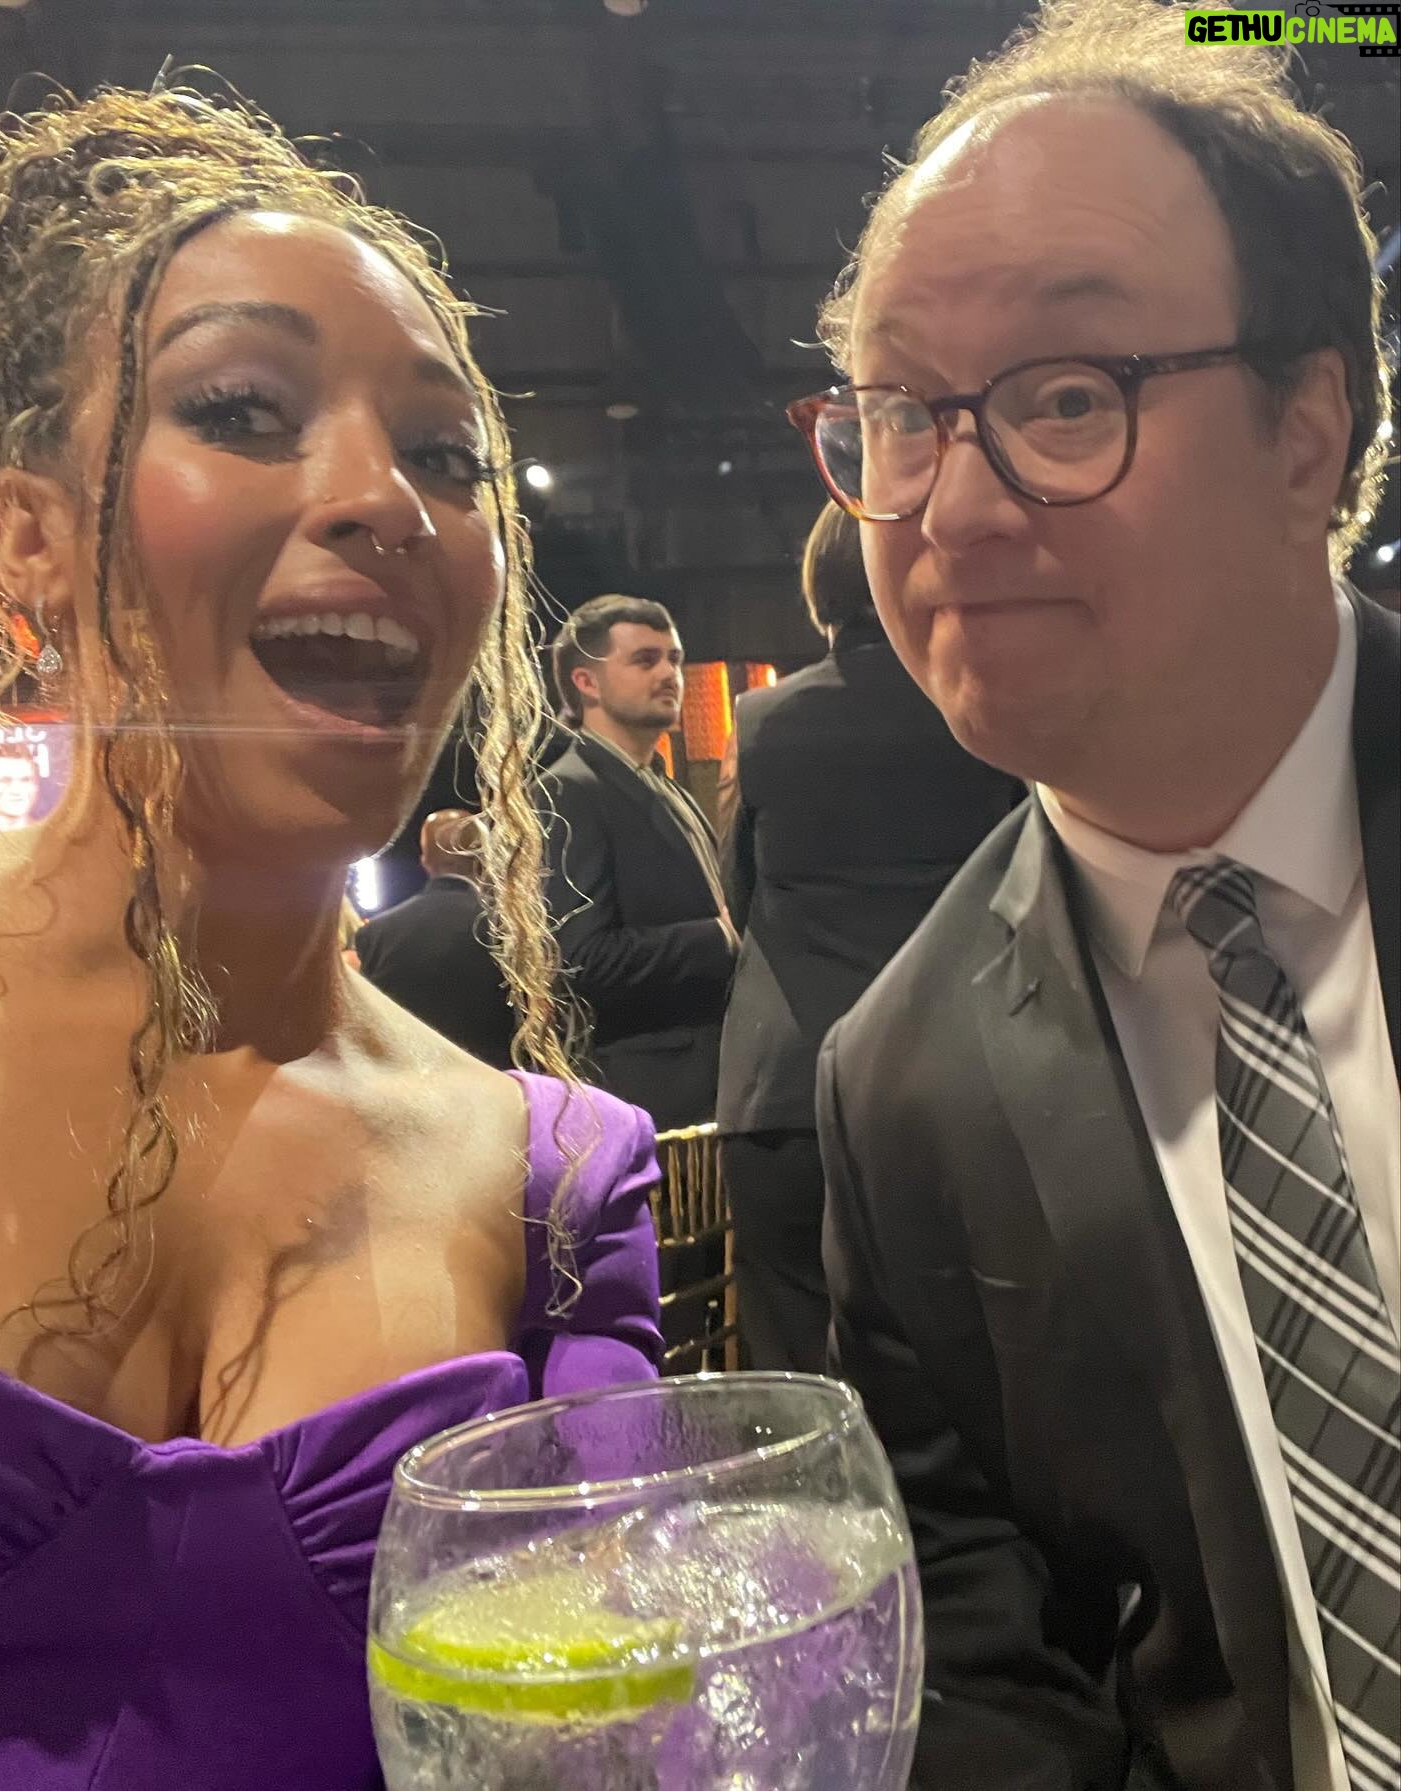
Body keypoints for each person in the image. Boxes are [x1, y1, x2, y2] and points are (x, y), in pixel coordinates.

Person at [0, 85, 662, 1791]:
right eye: (242, 410)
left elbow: (603, 1743)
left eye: (445, 456)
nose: (385, 500)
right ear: (27, 536)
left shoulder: (558, 1188)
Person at [794, 3, 1400, 1786]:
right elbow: (998, 1660)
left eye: (1067, 397)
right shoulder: (899, 1080)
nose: (952, 508)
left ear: (1307, 430)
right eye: (900, 416)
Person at [716, 502, 1022, 1372]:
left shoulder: (763, 720)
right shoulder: (986, 713)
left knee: (795, 1359)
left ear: (820, 593)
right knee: (963, 1364)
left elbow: (738, 895)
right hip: (953, 1076)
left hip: (783, 1088)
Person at [542, 593, 736, 1128]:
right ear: (586, 682)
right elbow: (579, 960)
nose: (670, 674)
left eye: (674, 659)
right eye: (645, 660)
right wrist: (719, 937)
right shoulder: (567, 790)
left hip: (705, 1078)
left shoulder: (666, 787)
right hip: (643, 1095)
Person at [356, 807, 515, 1067]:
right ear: (482, 856)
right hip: (492, 1081)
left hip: (406, 1081)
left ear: (425, 860)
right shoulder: (506, 927)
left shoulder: (375, 934)